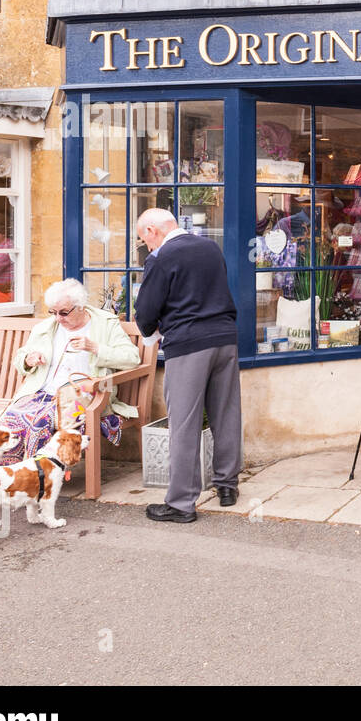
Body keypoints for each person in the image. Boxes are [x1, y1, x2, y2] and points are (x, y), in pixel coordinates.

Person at [134, 208, 242, 522]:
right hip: (225, 337)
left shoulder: (161, 258)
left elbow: (146, 310)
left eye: (145, 240)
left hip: (188, 343)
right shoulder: (210, 247)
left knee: (183, 423)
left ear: (153, 230)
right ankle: (227, 486)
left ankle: (181, 503)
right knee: (226, 413)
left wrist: (149, 331)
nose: (147, 247)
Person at [0, 278, 141, 465]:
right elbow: (20, 357)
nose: (58, 318)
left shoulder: (105, 324)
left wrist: (95, 348)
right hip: (41, 393)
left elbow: (132, 358)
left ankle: (42, 474)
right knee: (12, 418)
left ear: (80, 307)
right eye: (53, 312)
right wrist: (29, 359)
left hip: (86, 393)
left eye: (64, 312)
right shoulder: (46, 327)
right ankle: (12, 475)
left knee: (41, 421)